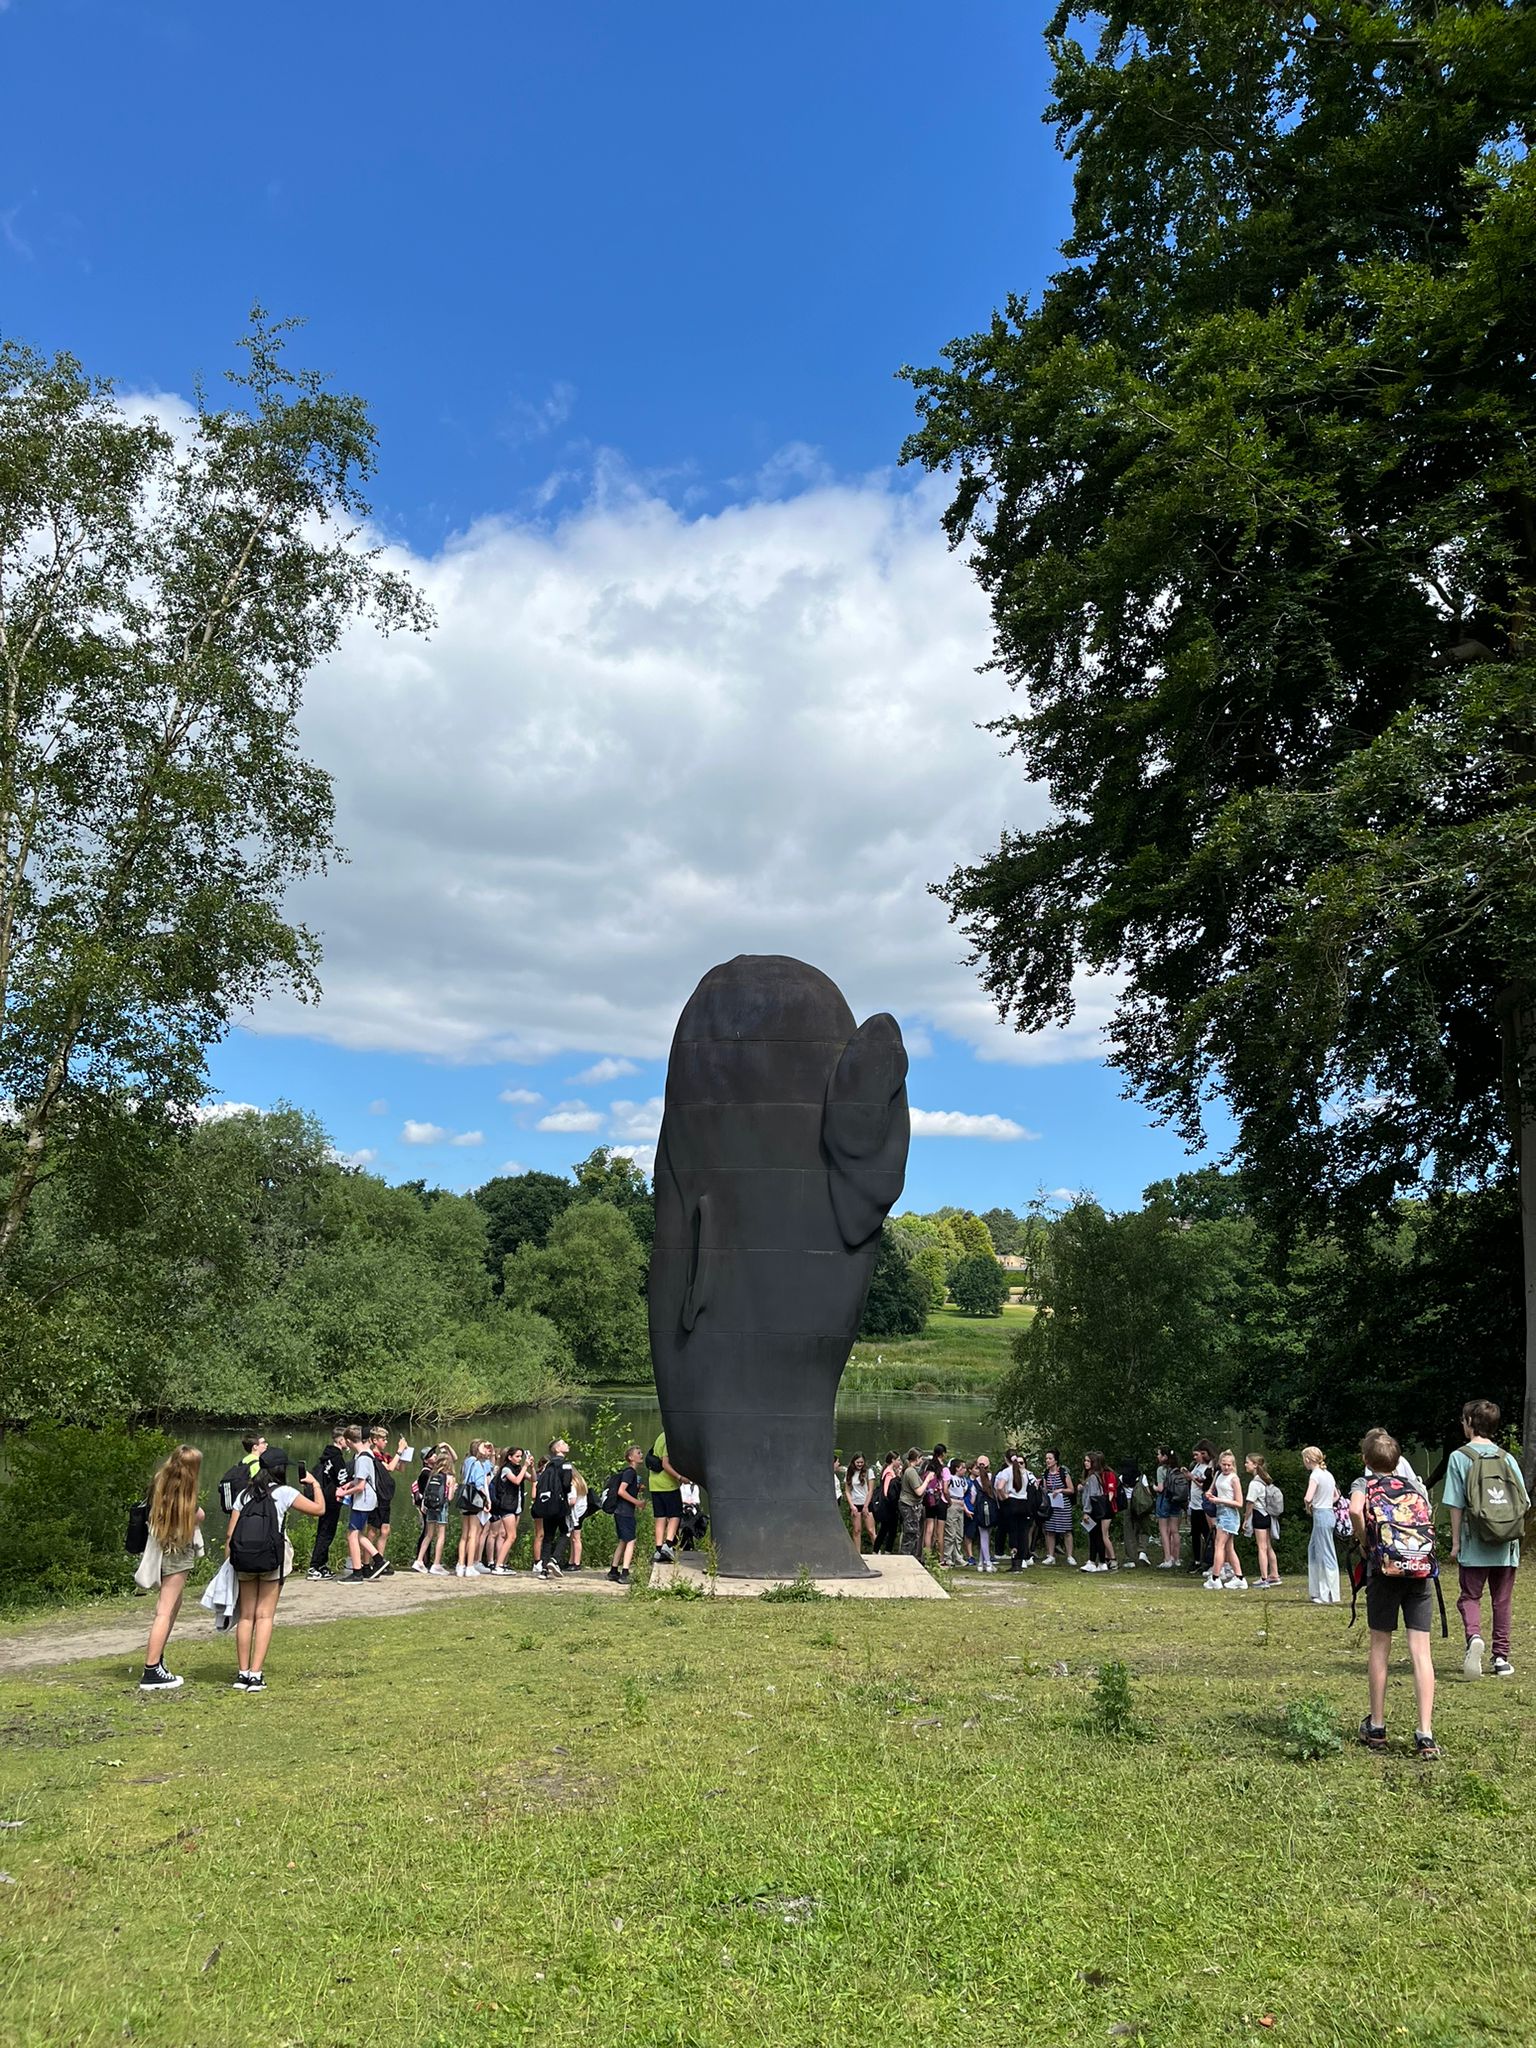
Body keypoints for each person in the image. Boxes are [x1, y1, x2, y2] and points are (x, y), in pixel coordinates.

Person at [1350, 1427, 1439, 1758]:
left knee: (1380, 1645)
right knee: (1421, 1651)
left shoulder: (1365, 1484)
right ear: (1398, 1460)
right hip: (1418, 1572)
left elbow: (1356, 1511)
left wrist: (1364, 1542)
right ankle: (1425, 1734)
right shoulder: (1414, 1485)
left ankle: (1377, 1726)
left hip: (1383, 1570)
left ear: (1365, 1460)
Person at [226, 1447, 325, 1692]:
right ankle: (256, 1675)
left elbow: (230, 1533)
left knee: (247, 1616)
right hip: (272, 1559)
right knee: (265, 1616)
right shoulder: (284, 1493)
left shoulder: (244, 1495)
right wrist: (316, 1485)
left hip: (245, 1560)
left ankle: (242, 1674)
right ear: (281, 1470)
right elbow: (319, 1510)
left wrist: (231, 1561)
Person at [1444, 1398, 1529, 1681]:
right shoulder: (1507, 1458)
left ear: (1470, 1423)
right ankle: (1501, 1658)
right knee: (1501, 1601)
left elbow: (1455, 1505)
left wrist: (1455, 1543)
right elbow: (1524, 1502)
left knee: (1470, 1596)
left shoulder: (1459, 1458)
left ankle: (1474, 1637)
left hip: (1475, 1542)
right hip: (1506, 1546)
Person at [137, 1444, 205, 1690]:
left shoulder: (160, 1483)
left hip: (160, 1548)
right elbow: (197, 1515)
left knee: (173, 1605)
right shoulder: (185, 1490)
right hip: (177, 1551)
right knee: (165, 1610)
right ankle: (151, 1669)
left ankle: (158, 1661)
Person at [337, 1425, 386, 1582]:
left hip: (363, 1501)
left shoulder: (363, 1458)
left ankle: (357, 1572)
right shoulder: (365, 1455)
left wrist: (343, 1492)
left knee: (352, 1534)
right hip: (366, 1500)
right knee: (357, 1533)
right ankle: (378, 1560)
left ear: (350, 1441)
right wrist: (349, 1484)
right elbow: (360, 1480)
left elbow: (361, 1486)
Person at [364, 1425, 411, 1574]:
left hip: (385, 1497)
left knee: (385, 1530)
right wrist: (398, 1451)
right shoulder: (373, 1456)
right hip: (376, 1496)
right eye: (383, 1439)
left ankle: (380, 1562)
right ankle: (366, 1563)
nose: (385, 1442)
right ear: (374, 1440)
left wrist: (404, 1454)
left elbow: (400, 1468)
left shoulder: (385, 1455)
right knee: (372, 1531)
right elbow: (389, 1468)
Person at [307, 1425, 350, 1581]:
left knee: (323, 1531)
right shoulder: (337, 1458)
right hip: (331, 1500)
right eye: (347, 1439)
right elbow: (342, 1480)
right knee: (326, 1533)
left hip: (322, 1498)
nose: (350, 1442)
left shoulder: (326, 1456)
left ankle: (321, 1565)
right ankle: (314, 1566)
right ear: (340, 1440)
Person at [1301, 1446, 1340, 1603]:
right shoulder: (1328, 1474)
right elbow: (1336, 1495)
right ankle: (1318, 1591)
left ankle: (1328, 1594)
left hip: (1321, 1514)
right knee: (1315, 1549)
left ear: (1308, 1460)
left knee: (1325, 1554)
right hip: (1328, 1513)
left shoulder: (1315, 1475)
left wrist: (1309, 1506)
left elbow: (1308, 1497)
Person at [1204, 1449, 1246, 1590]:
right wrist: (1209, 1494)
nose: (1226, 1467)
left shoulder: (1234, 1479)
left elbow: (1239, 1503)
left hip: (1229, 1514)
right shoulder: (1218, 1475)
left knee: (1219, 1546)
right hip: (1220, 1511)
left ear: (1233, 1465)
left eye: (1229, 1465)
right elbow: (1211, 1489)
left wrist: (1219, 1500)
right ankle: (1239, 1577)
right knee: (1228, 1548)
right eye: (1224, 1464)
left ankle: (1215, 1578)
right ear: (1220, 1464)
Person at [531, 1438, 573, 1578]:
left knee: (548, 1537)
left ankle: (544, 1570)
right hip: (560, 1504)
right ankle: (554, 1560)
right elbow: (566, 1484)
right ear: (557, 1449)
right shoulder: (566, 1464)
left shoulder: (548, 1465)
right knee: (565, 1532)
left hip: (546, 1503)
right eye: (563, 1443)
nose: (567, 1445)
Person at [411, 1447, 455, 1573]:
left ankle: (419, 1561)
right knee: (440, 1536)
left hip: (430, 1507)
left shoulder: (432, 1475)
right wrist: (453, 1488)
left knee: (428, 1534)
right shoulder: (449, 1478)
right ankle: (436, 1564)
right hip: (441, 1507)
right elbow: (450, 1497)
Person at [1243, 1453, 1282, 1588]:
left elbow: (1250, 1502)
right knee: (1268, 1546)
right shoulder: (1265, 1480)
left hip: (1259, 1516)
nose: (1245, 1465)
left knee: (1261, 1547)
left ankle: (1264, 1577)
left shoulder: (1254, 1483)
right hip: (1268, 1516)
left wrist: (1246, 1518)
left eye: (1247, 1462)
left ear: (1254, 1465)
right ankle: (1274, 1574)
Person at [609, 1446, 646, 1582]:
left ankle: (613, 1570)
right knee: (631, 1540)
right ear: (631, 1458)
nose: (641, 1454)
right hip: (625, 1512)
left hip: (622, 1511)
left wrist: (637, 1489)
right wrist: (637, 1502)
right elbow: (621, 1491)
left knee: (623, 1540)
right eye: (638, 1453)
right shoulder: (630, 1472)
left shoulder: (630, 1473)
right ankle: (625, 1573)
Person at [648, 1430, 684, 1562]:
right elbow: (665, 1464)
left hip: (654, 1483)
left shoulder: (660, 1436)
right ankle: (668, 1545)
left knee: (660, 1517)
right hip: (667, 1484)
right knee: (675, 1514)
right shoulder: (670, 1440)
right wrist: (680, 1477)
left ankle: (658, 1549)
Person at [993, 1450, 1032, 1571]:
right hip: (1023, 1503)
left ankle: (1014, 1563)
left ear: (1006, 1459)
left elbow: (999, 1487)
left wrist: (1004, 1497)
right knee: (1023, 1533)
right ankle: (1022, 1561)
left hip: (1012, 1502)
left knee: (1013, 1533)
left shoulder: (1006, 1472)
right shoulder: (1024, 1472)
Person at [1040, 1451, 1075, 1565]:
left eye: (1050, 1458)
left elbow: (1071, 1489)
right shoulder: (1046, 1473)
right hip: (1051, 1506)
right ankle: (1051, 1555)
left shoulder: (1063, 1473)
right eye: (1046, 1458)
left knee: (1067, 1531)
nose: (1047, 1461)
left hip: (1063, 1505)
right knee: (1050, 1531)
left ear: (1055, 1460)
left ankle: (1069, 1555)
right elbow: (1045, 1489)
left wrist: (1060, 1490)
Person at [1119, 1456, 1153, 1567]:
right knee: (1144, 1528)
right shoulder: (1142, 1477)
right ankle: (1142, 1551)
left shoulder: (1121, 1478)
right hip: (1140, 1503)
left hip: (1127, 1503)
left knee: (1129, 1530)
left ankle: (1130, 1558)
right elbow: (1147, 1491)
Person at [1154, 1445, 1185, 1569]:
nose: (1157, 1456)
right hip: (1176, 1500)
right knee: (1175, 1530)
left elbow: (1161, 1488)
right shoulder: (1177, 1469)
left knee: (1163, 1530)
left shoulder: (1161, 1469)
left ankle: (1167, 1558)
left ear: (1164, 1457)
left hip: (1164, 1499)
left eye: (1159, 1454)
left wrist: (1154, 1488)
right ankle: (1176, 1558)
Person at [1187, 1441, 1215, 1575]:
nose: (1196, 1457)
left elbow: (1204, 1486)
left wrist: (1192, 1478)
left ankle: (1209, 1560)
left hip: (1202, 1505)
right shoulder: (1196, 1466)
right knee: (1195, 1534)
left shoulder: (1209, 1468)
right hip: (1194, 1504)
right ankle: (1197, 1559)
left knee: (1207, 1533)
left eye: (1198, 1454)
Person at [968, 1457, 998, 1572]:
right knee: (986, 1536)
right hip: (992, 1511)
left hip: (980, 1513)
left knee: (983, 1536)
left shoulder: (975, 1482)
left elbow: (972, 1500)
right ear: (988, 1465)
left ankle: (982, 1563)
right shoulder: (993, 1479)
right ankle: (986, 1563)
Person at [845, 1455, 876, 1553]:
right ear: (853, 1462)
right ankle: (857, 1554)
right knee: (856, 1530)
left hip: (866, 1503)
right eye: (857, 1462)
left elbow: (871, 1490)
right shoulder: (849, 1473)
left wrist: (866, 1505)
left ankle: (877, 1550)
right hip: (855, 1503)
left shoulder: (868, 1472)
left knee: (871, 1530)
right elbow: (847, 1491)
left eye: (861, 1462)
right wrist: (851, 1506)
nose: (859, 1464)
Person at [942, 1458, 970, 1569]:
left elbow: (963, 1492)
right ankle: (947, 1557)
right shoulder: (951, 1478)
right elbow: (946, 1490)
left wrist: (965, 1508)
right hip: (953, 1504)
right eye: (962, 1467)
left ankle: (958, 1556)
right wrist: (949, 1501)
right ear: (956, 1468)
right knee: (950, 1533)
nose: (965, 1470)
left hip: (960, 1505)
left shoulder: (963, 1480)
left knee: (959, 1533)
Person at [898, 1448, 925, 1557]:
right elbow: (918, 1491)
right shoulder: (911, 1471)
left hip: (911, 1505)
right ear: (917, 1459)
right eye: (921, 1458)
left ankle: (910, 1556)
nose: (922, 1461)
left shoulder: (911, 1470)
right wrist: (927, 1480)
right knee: (910, 1533)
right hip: (909, 1505)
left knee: (913, 1533)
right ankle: (906, 1557)